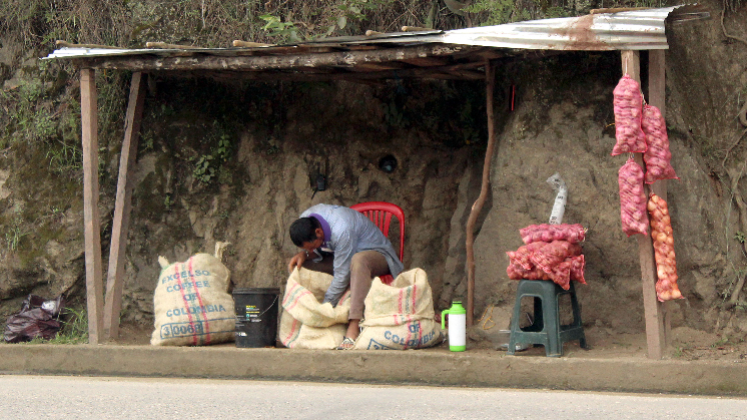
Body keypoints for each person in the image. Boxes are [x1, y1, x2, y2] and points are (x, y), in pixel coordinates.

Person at [288, 203, 403, 349]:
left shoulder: (341, 229)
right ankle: (308, 318)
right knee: (300, 263)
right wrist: (304, 254)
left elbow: (342, 273)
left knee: (358, 261)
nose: (310, 250)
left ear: (318, 232)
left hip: (378, 256)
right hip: (342, 255)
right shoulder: (305, 218)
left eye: (311, 247)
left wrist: (326, 306)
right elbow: (334, 261)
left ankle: (354, 324)